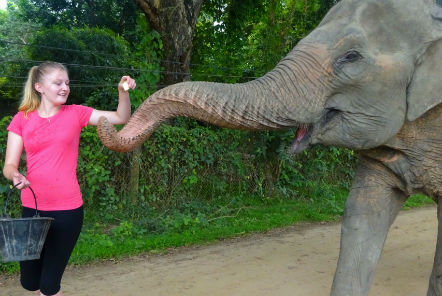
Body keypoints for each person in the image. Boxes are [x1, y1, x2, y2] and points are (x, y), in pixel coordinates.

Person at [2, 61, 136, 296]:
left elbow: (120, 117)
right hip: (31, 209)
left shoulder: (76, 113)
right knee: (30, 282)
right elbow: (9, 165)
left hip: (68, 209)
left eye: (67, 83)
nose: (65, 87)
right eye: (58, 83)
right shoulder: (22, 118)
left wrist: (122, 93)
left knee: (49, 285)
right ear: (39, 87)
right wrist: (15, 175)